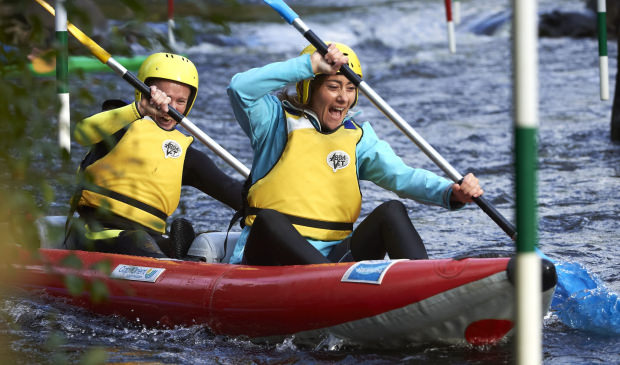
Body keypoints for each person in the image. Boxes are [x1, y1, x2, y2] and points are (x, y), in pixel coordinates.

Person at [226, 42, 484, 266]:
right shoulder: (273, 120)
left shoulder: (358, 138)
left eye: (350, 88)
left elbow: (402, 177)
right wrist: (310, 64)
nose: (343, 98)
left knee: (392, 211)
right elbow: (240, 88)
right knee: (269, 220)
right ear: (309, 88)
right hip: (269, 258)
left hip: (333, 258)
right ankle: (325, 282)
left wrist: (451, 192)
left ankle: (427, 292)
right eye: (334, 86)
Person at [65, 52, 242, 259]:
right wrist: (140, 109)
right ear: (144, 92)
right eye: (165, 97)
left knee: (183, 244)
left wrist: (273, 206)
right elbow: (81, 133)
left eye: (180, 101)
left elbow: (229, 189)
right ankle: (167, 265)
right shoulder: (120, 122)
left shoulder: (184, 153)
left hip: (150, 239)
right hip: (97, 233)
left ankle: (177, 260)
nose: (171, 108)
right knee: (137, 241)